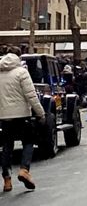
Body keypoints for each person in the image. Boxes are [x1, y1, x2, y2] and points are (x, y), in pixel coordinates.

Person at [0, 53, 46, 192]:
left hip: (3, 116)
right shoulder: (22, 73)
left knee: (6, 146)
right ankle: (24, 170)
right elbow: (31, 95)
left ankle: (7, 179)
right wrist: (40, 112)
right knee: (28, 141)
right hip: (21, 115)